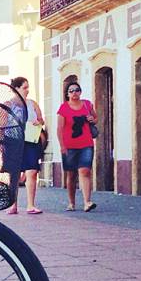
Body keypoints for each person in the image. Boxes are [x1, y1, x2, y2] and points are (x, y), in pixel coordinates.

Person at [7, 77, 45, 215]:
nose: (27, 90)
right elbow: (2, 124)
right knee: (14, 174)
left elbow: (41, 120)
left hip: (31, 141)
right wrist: (1, 143)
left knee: (32, 171)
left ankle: (31, 204)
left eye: (28, 87)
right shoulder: (8, 104)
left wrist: (38, 121)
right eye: (25, 87)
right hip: (14, 141)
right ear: (16, 89)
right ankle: (13, 205)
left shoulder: (32, 103)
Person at [57, 82, 97, 212]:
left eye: (77, 90)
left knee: (85, 171)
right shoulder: (64, 108)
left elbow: (95, 118)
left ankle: (87, 202)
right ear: (67, 94)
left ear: (80, 91)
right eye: (71, 91)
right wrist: (62, 146)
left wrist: (92, 119)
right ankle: (72, 202)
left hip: (86, 143)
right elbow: (60, 128)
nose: (74, 93)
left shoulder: (87, 104)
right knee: (71, 175)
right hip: (69, 145)